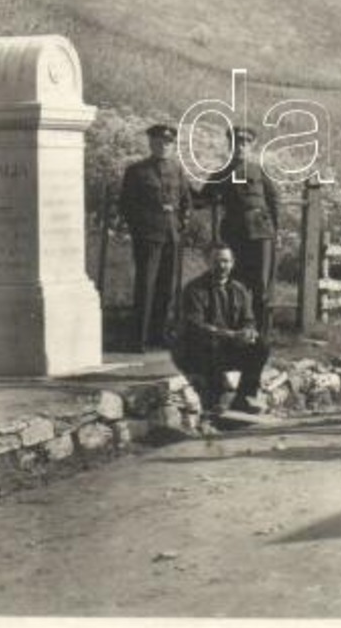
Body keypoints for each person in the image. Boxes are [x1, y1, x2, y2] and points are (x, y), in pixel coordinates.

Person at [118, 123, 192, 352]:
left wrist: (182, 222)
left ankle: (158, 335)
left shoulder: (177, 169)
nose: (164, 146)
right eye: (159, 142)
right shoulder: (137, 171)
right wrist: (139, 227)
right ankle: (137, 339)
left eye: (168, 143)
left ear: (172, 146)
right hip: (148, 235)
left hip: (171, 235)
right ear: (151, 143)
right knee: (146, 286)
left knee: (166, 287)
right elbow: (126, 205)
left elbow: (186, 200)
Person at [205, 125, 282, 338]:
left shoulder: (259, 170)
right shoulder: (221, 173)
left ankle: (261, 334)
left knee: (261, 285)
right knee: (235, 282)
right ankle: (238, 331)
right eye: (238, 142)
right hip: (235, 234)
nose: (241, 147)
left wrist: (277, 231)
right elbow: (203, 197)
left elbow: (274, 200)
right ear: (230, 145)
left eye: (246, 143)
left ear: (252, 146)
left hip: (262, 233)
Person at [173, 244, 268, 414]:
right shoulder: (194, 289)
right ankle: (215, 399)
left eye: (226, 261)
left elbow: (249, 319)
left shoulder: (239, 289)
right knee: (210, 344)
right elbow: (196, 326)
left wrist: (248, 331)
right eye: (216, 261)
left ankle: (243, 396)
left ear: (232, 263)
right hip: (198, 348)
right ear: (207, 262)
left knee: (261, 346)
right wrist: (231, 335)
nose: (222, 266)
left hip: (229, 345)